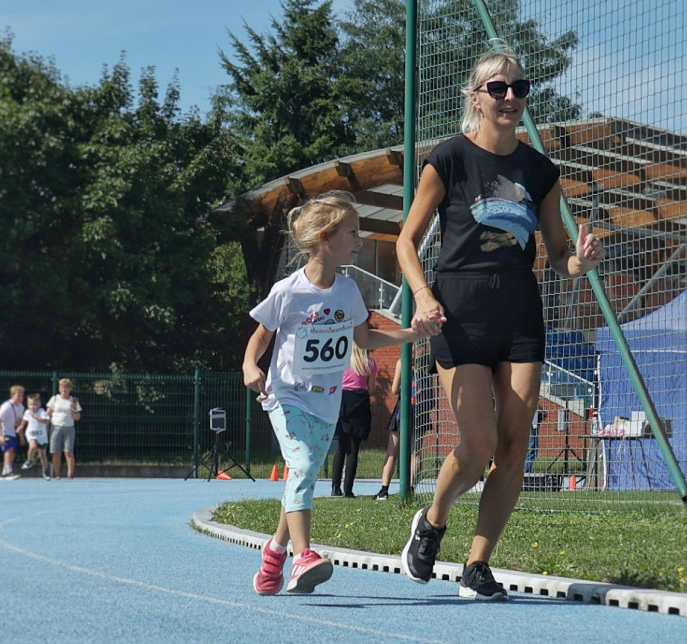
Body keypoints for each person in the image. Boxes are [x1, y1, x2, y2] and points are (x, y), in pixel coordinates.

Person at [395, 45, 605, 600]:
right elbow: (406, 242)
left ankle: (477, 566)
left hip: (519, 316)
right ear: (477, 98)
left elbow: (560, 255)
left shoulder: (540, 171)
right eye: (498, 89)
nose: (510, 97)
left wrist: (579, 262)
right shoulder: (450, 158)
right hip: (457, 314)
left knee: (515, 447)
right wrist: (421, 295)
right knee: (479, 442)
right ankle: (433, 521)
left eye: (519, 89)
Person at [243, 190, 441, 596]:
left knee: (303, 476)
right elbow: (261, 336)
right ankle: (304, 557)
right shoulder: (289, 290)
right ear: (325, 239)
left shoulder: (348, 291)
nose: (360, 240)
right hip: (287, 396)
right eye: (353, 232)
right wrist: (250, 365)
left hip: (326, 401)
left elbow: (365, 338)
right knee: (299, 467)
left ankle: (274, 555)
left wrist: (412, 333)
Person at [373, 350, 433, 501]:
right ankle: (411, 489)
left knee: (392, 451)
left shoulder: (402, 362)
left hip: (405, 409)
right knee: (416, 452)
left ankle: (384, 491)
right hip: (421, 411)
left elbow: (394, 389)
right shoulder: (426, 363)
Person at [330, 342, 378, 498]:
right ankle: (348, 489)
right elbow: (371, 390)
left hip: (342, 401)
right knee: (353, 450)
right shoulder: (369, 363)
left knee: (340, 447)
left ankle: (335, 487)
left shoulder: (342, 361)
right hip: (359, 402)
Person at [47, 378, 81, 480]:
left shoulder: (73, 400)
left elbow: (77, 417)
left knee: (68, 451)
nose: (64, 389)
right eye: (62, 387)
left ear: (70, 388)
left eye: (66, 387)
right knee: (56, 452)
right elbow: (48, 413)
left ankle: (70, 474)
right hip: (55, 427)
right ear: (59, 388)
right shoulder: (54, 399)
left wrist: (74, 409)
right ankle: (57, 474)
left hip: (69, 427)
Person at [0, 385, 26, 480]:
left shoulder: (21, 407)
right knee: (9, 449)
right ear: (12, 395)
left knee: (13, 450)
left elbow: (19, 423)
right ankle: (9, 471)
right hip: (3, 431)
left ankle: (4, 473)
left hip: (12, 431)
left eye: (22, 396)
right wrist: (0, 436)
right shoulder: (6, 406)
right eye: (18, 395)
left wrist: (21, 436)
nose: (20, 398)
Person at [18, 393, 52, 480]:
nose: (32, 407)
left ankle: (45, 470)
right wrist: (21, 427)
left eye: (34, 404)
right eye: (30, 404)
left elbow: (45, 420)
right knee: (33, 446)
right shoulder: (27, 412)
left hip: (42, 435)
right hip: (31, 433)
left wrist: (36, 417)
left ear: (39, 404)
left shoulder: (42, 411)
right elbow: (24, 421)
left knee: (42, 455)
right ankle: (29, 461)